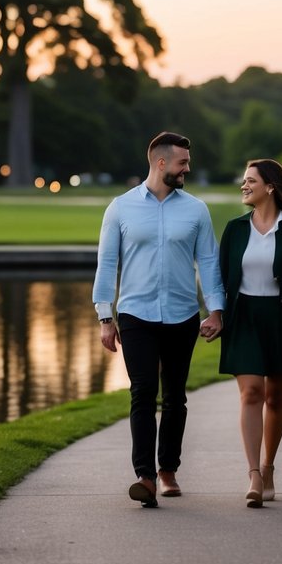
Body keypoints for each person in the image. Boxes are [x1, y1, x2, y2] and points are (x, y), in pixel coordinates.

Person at [93, 131, 225, 508]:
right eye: (183, 162)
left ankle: (168, 471)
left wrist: (216, 310)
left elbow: (210, 263)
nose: (188, 168)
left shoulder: (196, 210)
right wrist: (106, 316)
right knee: (142, 392)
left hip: (183, 314)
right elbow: (107, 263)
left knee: (175, 397)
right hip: (136, 315)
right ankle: (145, 477)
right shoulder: (120, 208)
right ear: (161, 163)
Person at [218, 158, 282, 508]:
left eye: (250, 181)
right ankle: (253, 475)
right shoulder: (234, 229)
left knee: (275, 398)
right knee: (251, 392)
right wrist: (216, 315)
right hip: (244, 317)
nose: (244, 186)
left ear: (271, 187)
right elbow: (220, 281)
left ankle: (269, 466)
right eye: (243, 181)